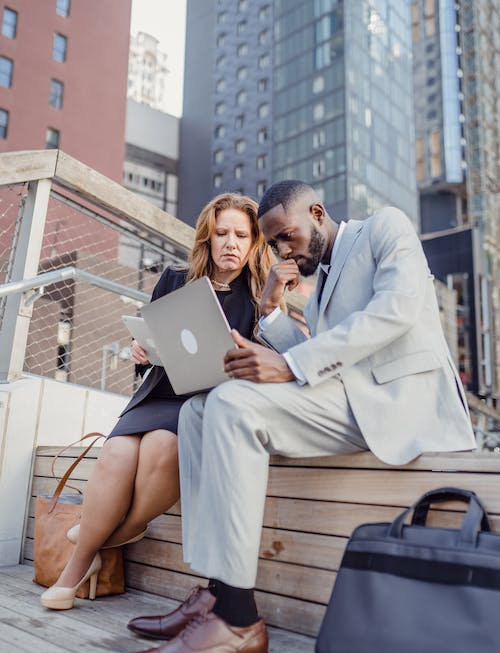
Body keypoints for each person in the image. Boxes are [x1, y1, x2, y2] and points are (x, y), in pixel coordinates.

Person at [130, 180, 476, 653]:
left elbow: (395, 310)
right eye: (271, 242)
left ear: (317, 212)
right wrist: (271, 311)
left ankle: (238, 618)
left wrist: (288, 364)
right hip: (348, 400)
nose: (279, 249)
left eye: (285, 236)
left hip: (399, 403)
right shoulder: (318, 289)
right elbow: (318, 358)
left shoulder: (385, 227)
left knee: (231, 405)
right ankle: (216, 590)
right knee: (198, 410)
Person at [40, 192, 277, 611]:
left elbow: (262, 364)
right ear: (208, 237)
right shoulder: (174, 279)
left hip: (201, 404)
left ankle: (96, 547)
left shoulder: (259, 301)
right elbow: (150, 339)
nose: (231, 243)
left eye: (241, 235)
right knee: (115, 451)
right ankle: (80, 566)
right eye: (222, 233)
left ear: (255, 242)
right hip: (158, 392)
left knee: (162, 446)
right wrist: (139, 348)